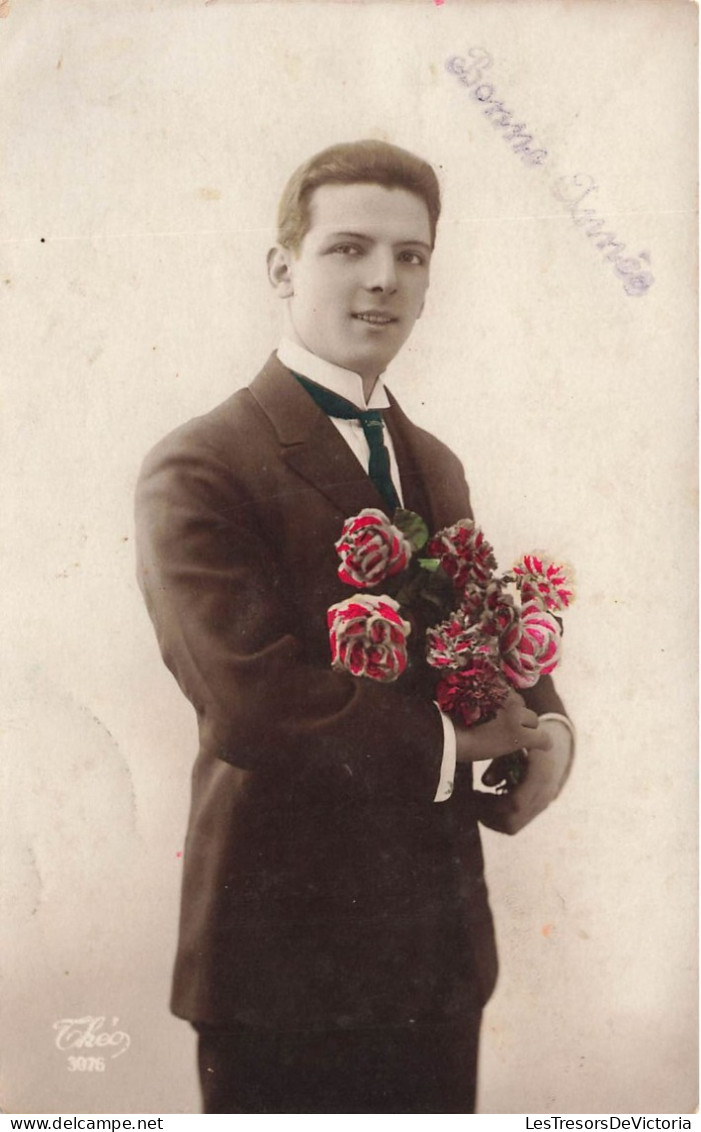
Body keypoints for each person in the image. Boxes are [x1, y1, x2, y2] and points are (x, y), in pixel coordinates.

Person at [135, 139, 574, 1114]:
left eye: (410, 256)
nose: (383, 278)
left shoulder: (432, 460)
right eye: (348, 249)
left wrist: (546, 732)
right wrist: (462, 746)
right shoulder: (200, 464)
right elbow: (250, 703)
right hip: (281, 962)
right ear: (282, 267)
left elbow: (480, 629)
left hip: (434, 954)